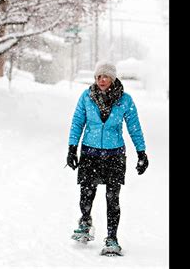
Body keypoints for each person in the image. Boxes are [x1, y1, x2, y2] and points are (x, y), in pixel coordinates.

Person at [66, 60, 149, 256]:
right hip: (90, 153)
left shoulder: (125, 100)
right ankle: (85, 222)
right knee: (86, 193)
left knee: (113, 198)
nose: (101, 80)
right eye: (97, 77)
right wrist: (72, 148)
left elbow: (134, 127)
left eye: (104, 76)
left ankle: (112, 238)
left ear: (112, 78)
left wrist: (141, 152)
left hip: (114, 155)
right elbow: (77, 122)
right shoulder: (87, 96)